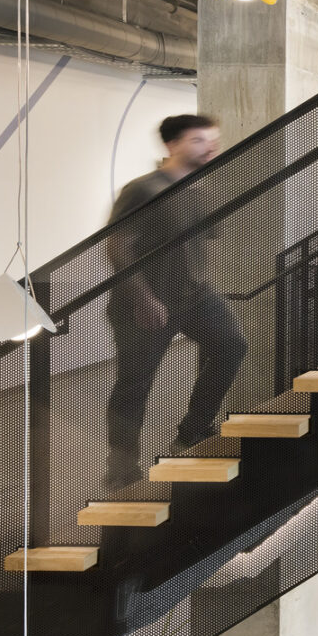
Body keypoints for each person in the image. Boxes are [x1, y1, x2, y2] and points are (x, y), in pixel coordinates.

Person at [103, 114, 246, 489]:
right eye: (199, 140)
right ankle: (122, 466)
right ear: (172, 145)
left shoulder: (202, 187)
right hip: (144, 302)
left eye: (212, 139)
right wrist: (144, 297)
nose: (210, 147)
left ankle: (192, 431)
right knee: (135, 383)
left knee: (232, 345)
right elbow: (117, 246)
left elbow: (200, 242)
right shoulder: (144, 189)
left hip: (195, 297)